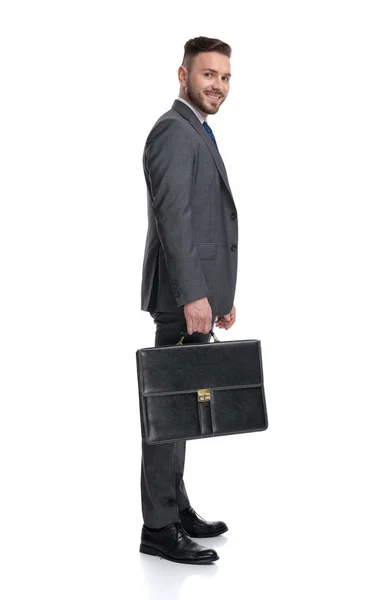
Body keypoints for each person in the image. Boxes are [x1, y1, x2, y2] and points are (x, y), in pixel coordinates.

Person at [139, 36, 238, 564]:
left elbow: (203, 224)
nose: (217, 85)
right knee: (166, 415)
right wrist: (194, 294)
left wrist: (218, 296)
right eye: (208, 75)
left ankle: (173, 508)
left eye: (224, 77)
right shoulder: (173, 133)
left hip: (195, 297)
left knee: (181, 413)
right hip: (180, 298)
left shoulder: (197, 131)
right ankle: (157, 527)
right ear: (183, 76)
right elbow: (175, 222)